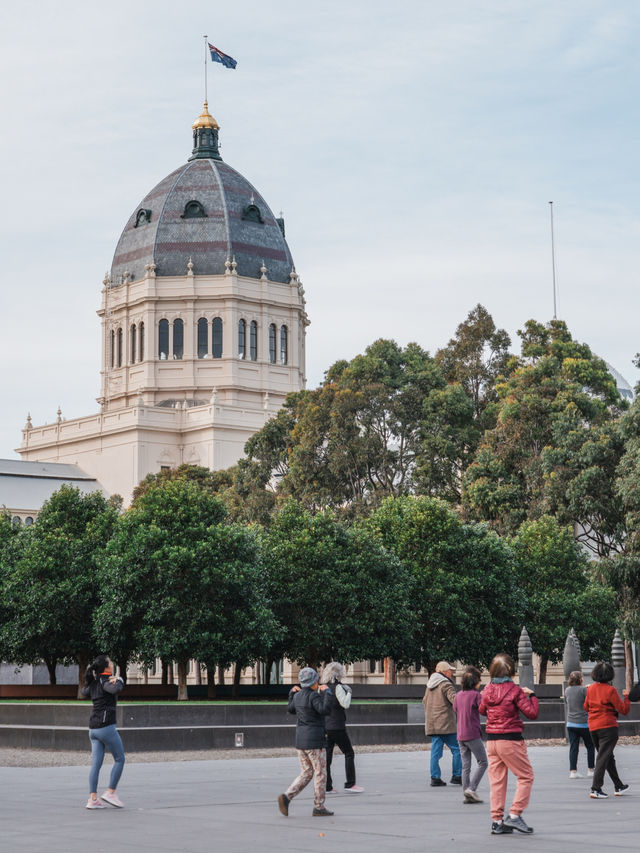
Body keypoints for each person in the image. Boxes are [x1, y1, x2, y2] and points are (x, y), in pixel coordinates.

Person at [478, 653, 538, 835]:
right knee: (526, 776)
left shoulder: (487, 690)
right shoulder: (515, 691)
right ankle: (514, 814)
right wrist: (532, 696)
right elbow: (532, 713)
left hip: (492, 741)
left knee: (497, 781)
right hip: (510, 739)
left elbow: (482, 710)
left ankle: (497, 821)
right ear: (511, 671)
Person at [278, 667, 334, 817]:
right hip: (315, 741)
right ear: (314, 682)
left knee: (307, 772)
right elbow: (325, 710)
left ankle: (287, 796)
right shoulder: (313, 696)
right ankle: (319, 806)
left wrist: (291, 694)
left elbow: (290, 709)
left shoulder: (297, 697)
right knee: (320, 773)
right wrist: (327, 693)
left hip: (301, 741)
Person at [81, 654, 125, 809]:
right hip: (105, 727)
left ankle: (93, 799)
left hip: (93, 729)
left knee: (96, 764)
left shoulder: (93, 683)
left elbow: (84, 691)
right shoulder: (105, 681)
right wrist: (119, 680)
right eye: (111, 662)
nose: (112, 664)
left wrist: (91, 681)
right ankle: (110, 792)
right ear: (107, 667)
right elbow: (115, 689)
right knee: (120, 759)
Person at [584, 661, 630, 799]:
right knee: (603, 758)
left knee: (608, 757)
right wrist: (627, 697)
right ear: (610, 675)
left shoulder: (590, 689)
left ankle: (618, 785)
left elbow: (586, 707)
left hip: (593, 727)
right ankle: (595, 788)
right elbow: (624, 710)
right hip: (608, 727)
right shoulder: (611, 690)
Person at [321, 661, 364, 793]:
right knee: (349, 753)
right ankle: (350, 784)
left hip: (326, 726)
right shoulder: (338, 687)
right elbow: (345, 704)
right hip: (338, 726)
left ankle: (327, 786)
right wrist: (349, 692)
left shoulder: (322, 688)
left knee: (327, 757)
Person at [423, 660, 462, 786]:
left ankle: (435, 778)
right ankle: (457, 776)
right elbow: (455, 700)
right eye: (450, 671)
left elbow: (424, 701)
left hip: (433, 724)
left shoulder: (429, 685)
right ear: (445, 672)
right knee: (457, 749)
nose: (451, 673)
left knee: (435, 752)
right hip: (446, 725)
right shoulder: (445, 684)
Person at [453, 665, 488, 804]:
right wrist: (484, 697)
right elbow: (483, 710)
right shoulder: (476, 695)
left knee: (465, 765)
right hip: (472, 734)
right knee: (483, 762)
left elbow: (455, 708)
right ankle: (471, 789)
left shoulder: (458, 695)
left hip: (460, 734)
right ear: (476, 682)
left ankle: (466, 792)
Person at [564, 670, 595, 779]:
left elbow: (567, 702)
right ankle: (591, 769)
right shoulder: (584, 690)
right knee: (590, 746)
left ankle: (573, 771)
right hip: (584, 723)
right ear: (580, 679)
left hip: (571, 723)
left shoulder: (567, 690)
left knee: (573, 747)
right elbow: (590, 702)